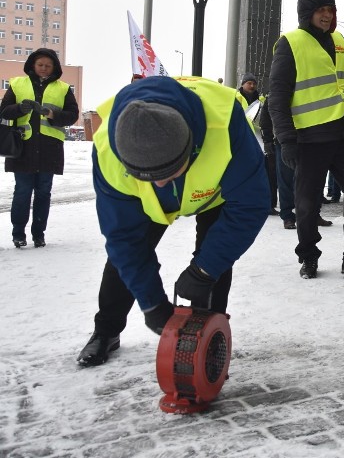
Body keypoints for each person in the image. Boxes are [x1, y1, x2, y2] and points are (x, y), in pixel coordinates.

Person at [76, 76, 269, 367]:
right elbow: (124, 239)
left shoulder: (226, 124)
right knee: (122, 261)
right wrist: (152, 303)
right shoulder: (107, 151)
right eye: (150, 176)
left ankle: (208, 342)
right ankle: (106, 331)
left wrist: (204, 271)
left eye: (170, 171)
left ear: (190, 145)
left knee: (215, 260)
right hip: (145, 205)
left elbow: (250, 205)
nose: (162, 182)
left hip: (215, 196)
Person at [267, 0, 344, 280]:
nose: (327, 15)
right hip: (308, 137)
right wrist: (286, 140)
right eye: (321, 10)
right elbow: (277, 97)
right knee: (306, 205)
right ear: (306, 13)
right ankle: (308, 257)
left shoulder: (340, 41)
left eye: (331, 10)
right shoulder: (290, 43)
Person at [0, 48, 79, 248]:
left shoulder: (63, 88)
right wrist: (19, 109)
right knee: (22, 192)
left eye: (48, 65)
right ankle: (18, 233)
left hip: (49, 150)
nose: (43, 69)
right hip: (22, 149)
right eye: (40, 65)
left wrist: (52, 114)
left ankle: (39, 234)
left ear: (54, 67)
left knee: (44, 193)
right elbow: (4, 112)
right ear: (33, 65)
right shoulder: (17, 84)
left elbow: (72, 115)